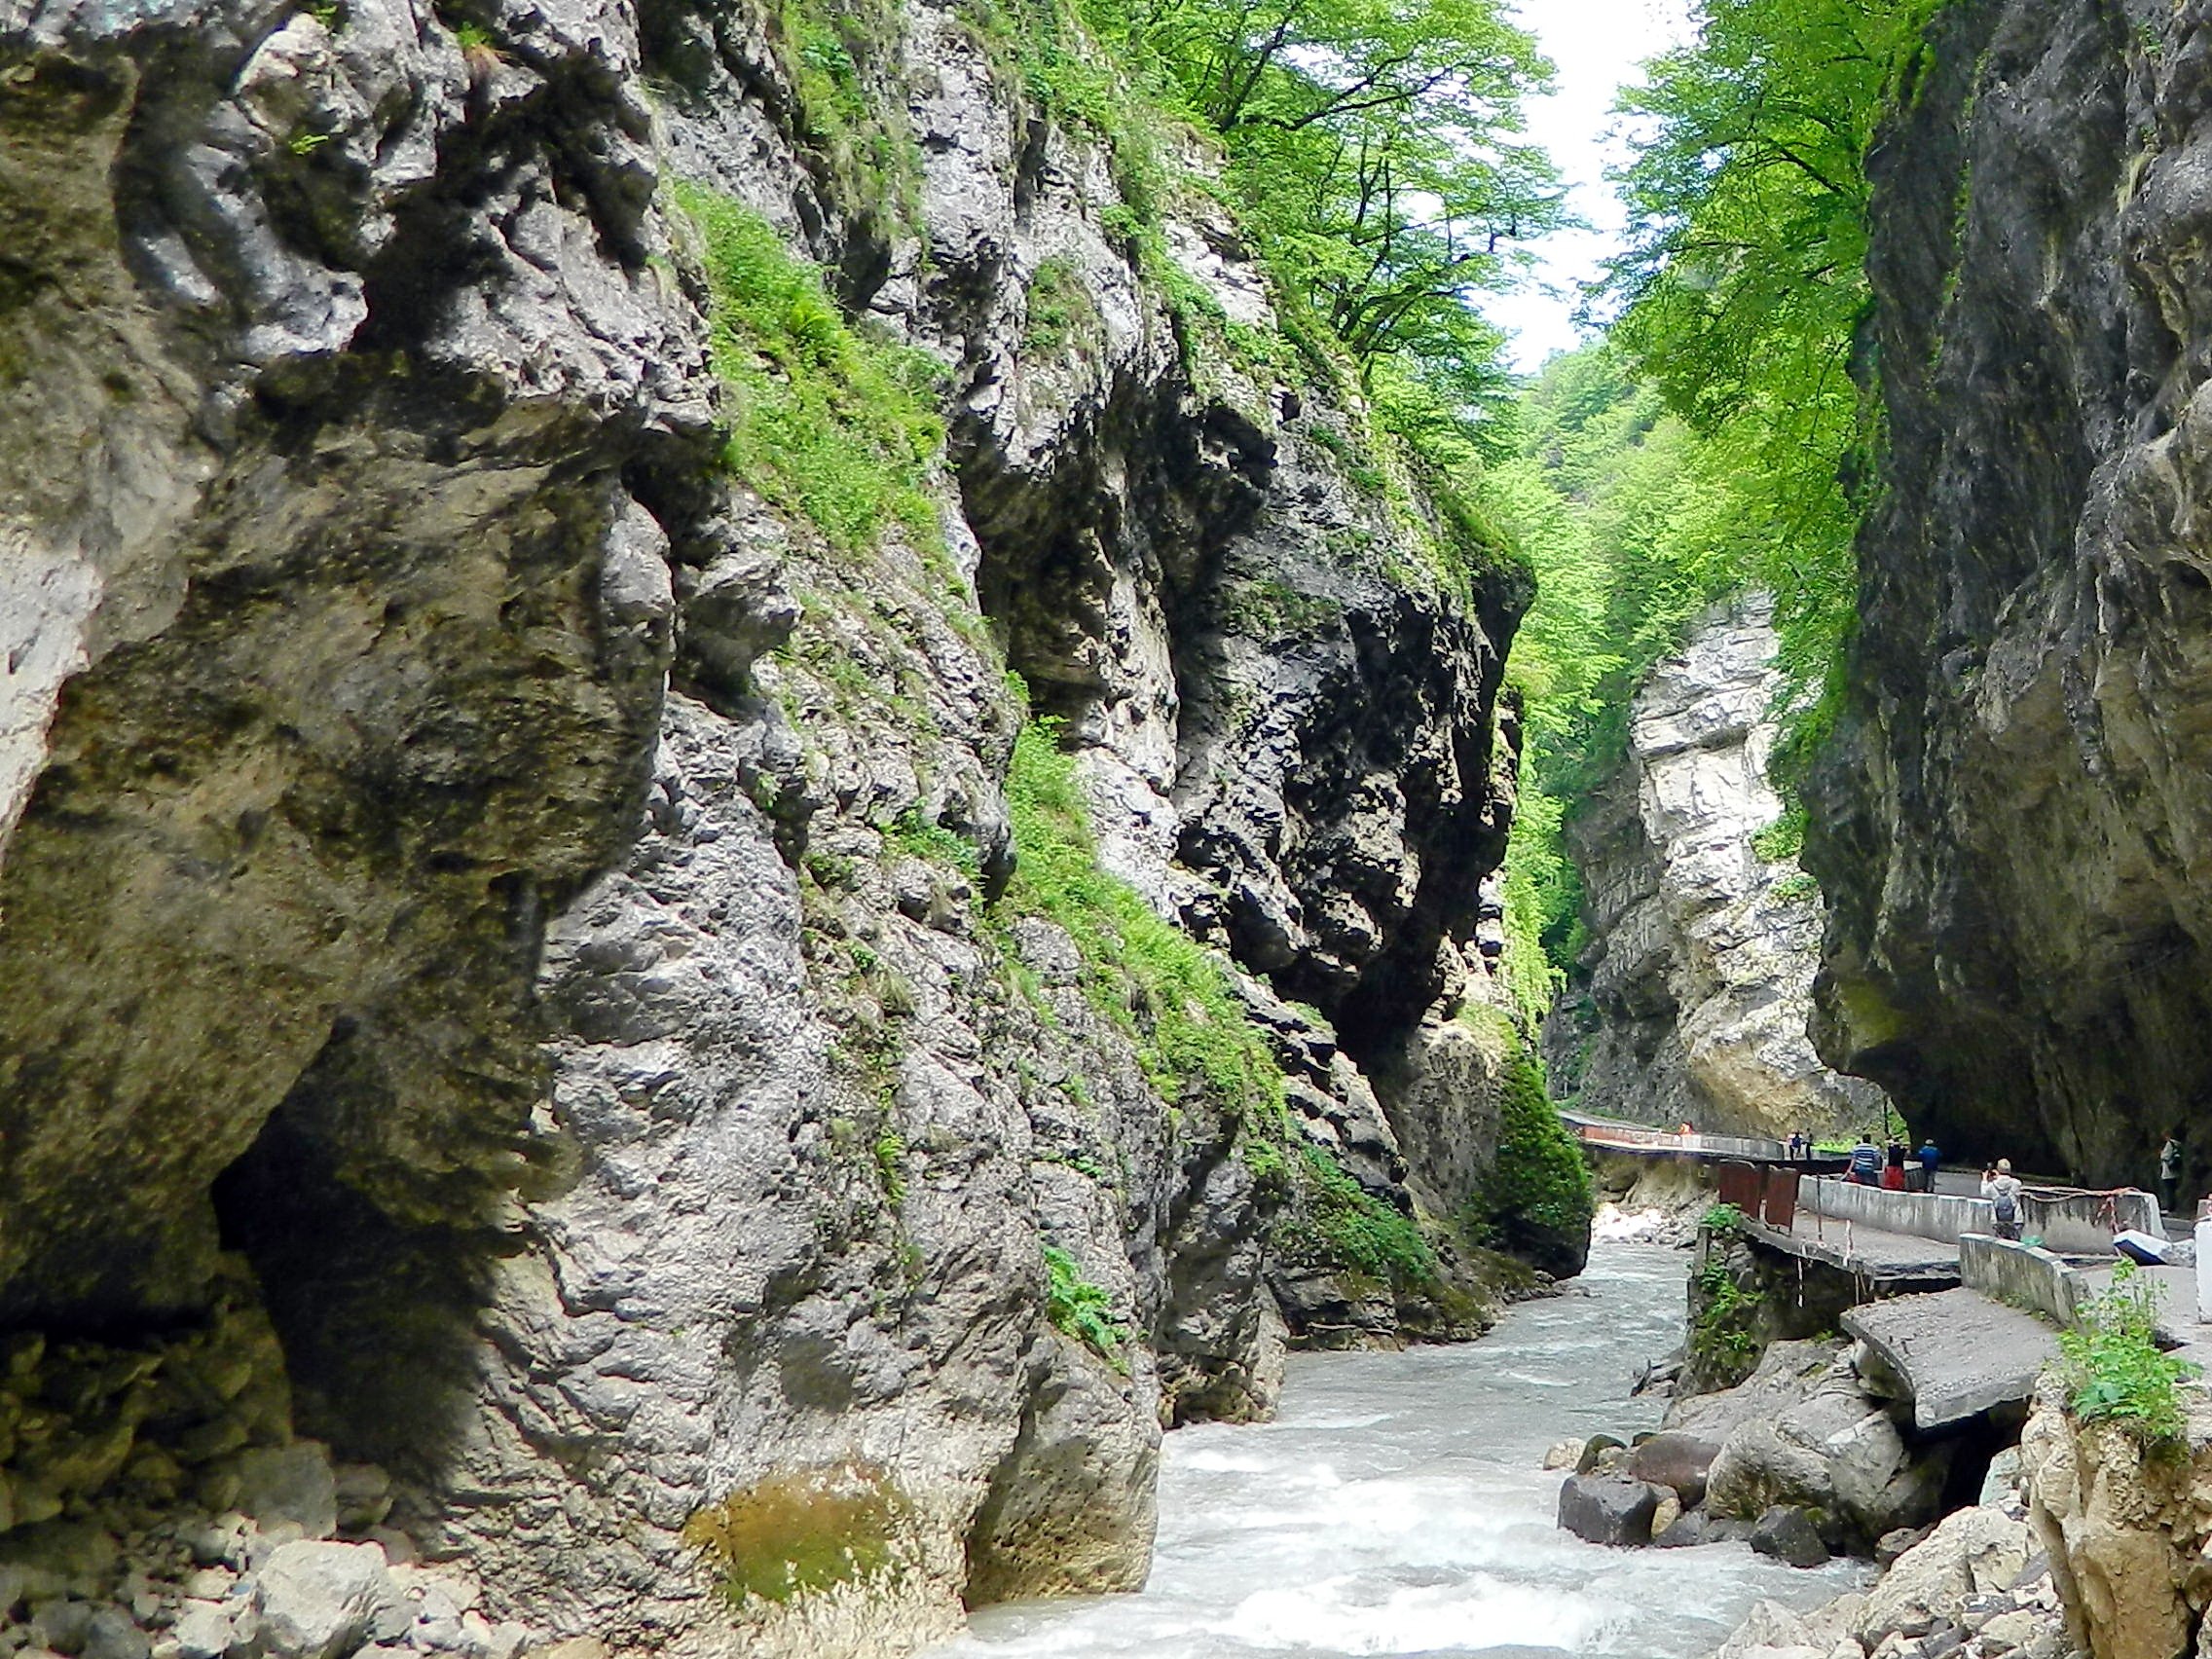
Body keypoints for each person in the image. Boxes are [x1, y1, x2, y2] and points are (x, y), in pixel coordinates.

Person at [1982, 1158, 2023, 1240]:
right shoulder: (2017, 1183)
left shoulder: (1992, 1185)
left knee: (2000, 1243)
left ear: (1998, 1169)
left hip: (1998, 1221)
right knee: (2015, 1244)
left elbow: (1984, 1193)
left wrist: (1984, 1179)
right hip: (2015, 1220)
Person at [2160, 1134, 2184, 1213]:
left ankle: (2170, 1207)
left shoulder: (2169, 1144)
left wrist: (2161, 1154)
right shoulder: (2177, 1144)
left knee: (2169, 1191)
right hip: (2175, 1172)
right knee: (2172, 1190)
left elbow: (2165, 1156)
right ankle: (2173, 1206)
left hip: (2168, 1172)